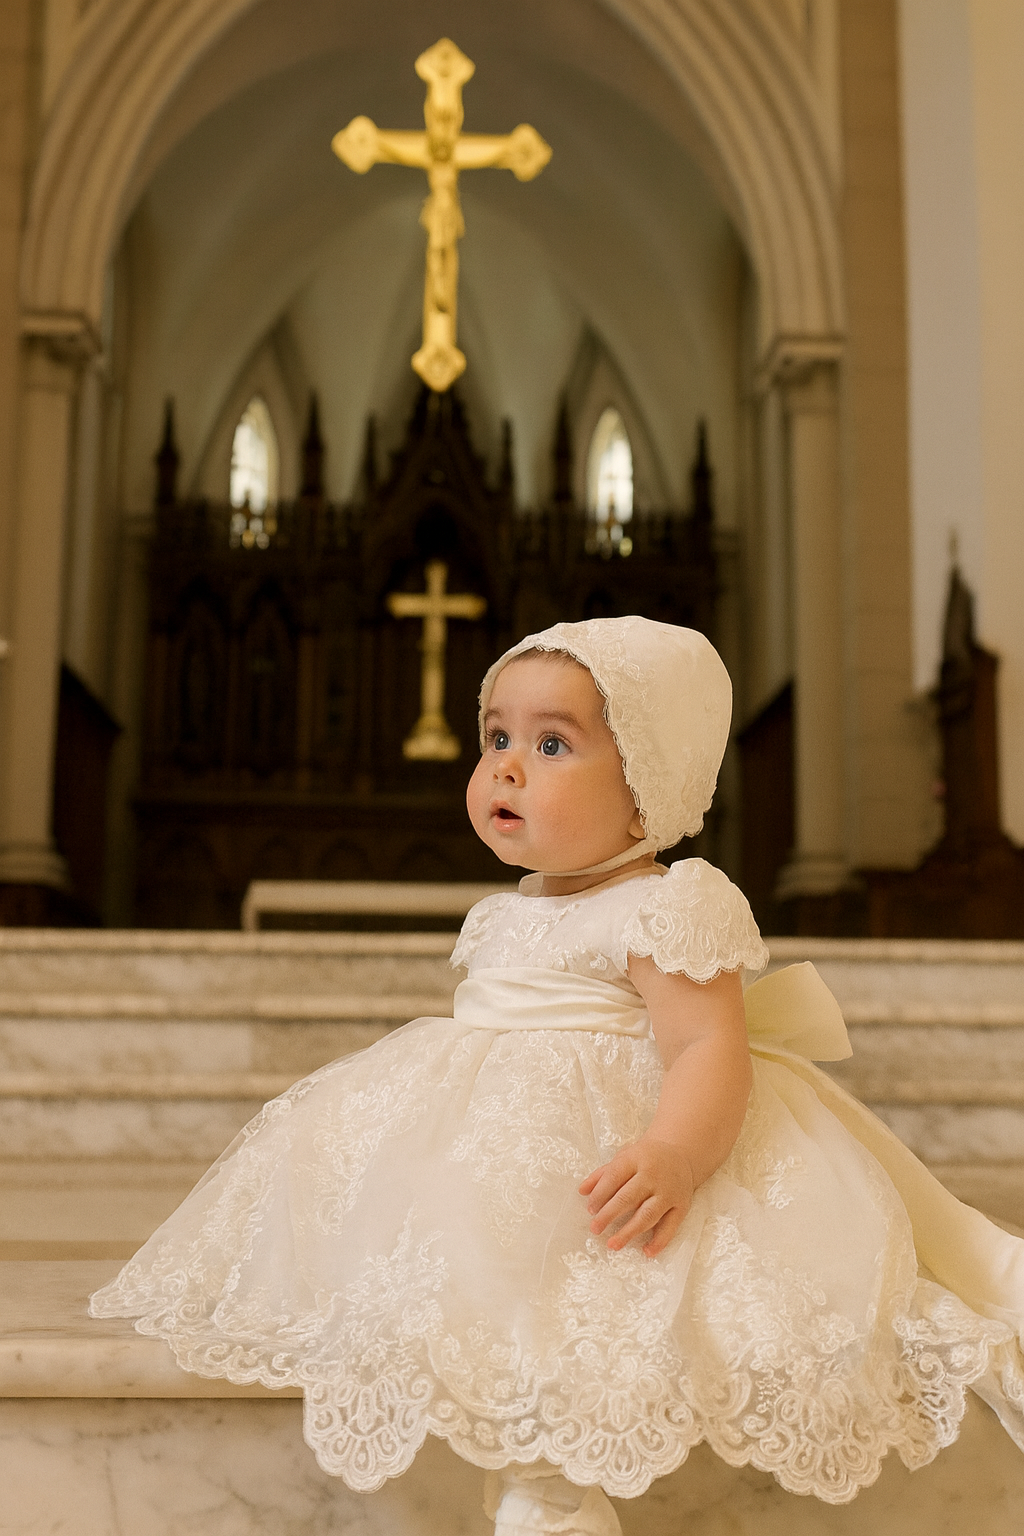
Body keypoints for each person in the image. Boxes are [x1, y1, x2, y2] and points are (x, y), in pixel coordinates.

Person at [91, 616, 1024, 1530]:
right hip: (497, 1146)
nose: (505, 765)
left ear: (645, 793)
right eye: (496, 735)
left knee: (580, 1305)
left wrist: (673, 1152)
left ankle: (557, 1491)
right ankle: (522, 1460)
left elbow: (706, 1047)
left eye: (551, 744)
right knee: (441, 1255)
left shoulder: (666, 906)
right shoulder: (506, 913)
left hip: (606, 1151)